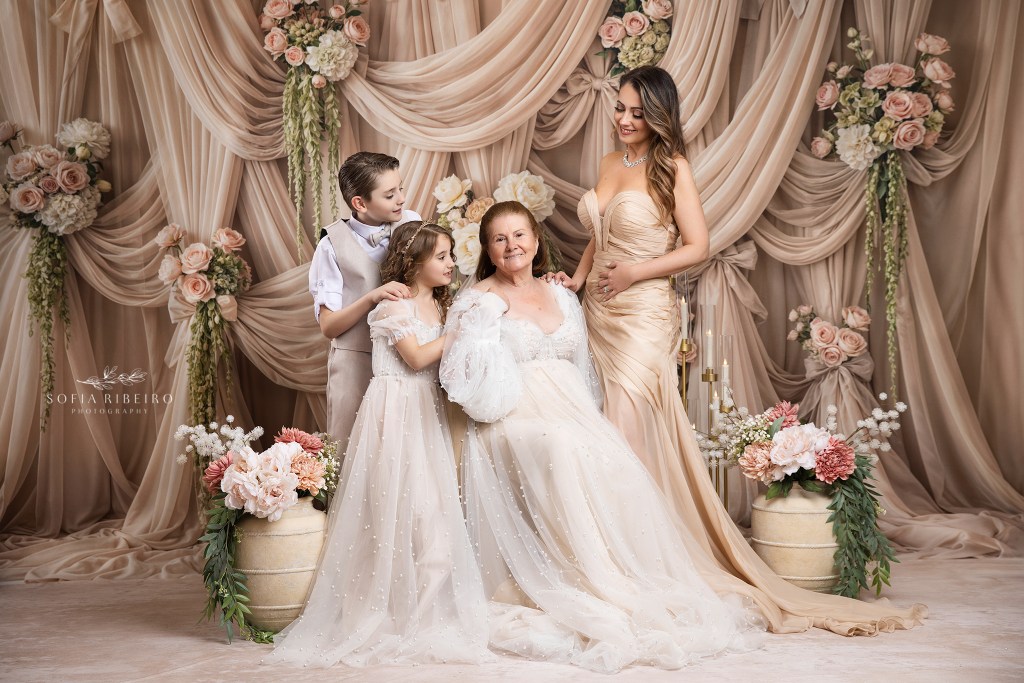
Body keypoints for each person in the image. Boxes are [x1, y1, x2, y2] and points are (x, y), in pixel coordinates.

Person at [552, 66, 926, 634]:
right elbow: (597, 236)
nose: (624, 120)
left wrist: (636, 273)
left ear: (658, 115)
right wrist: (578, 280)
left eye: (636, 112)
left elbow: (698, 247)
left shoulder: (671, 168)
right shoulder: (608, 163)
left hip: (644, 309)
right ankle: (613, 548)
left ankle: (641, 553)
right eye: (620, 109)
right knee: (606, 420)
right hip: (600, 310)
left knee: (624, 423)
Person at [441, 201, 765, 674]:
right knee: (562, 446)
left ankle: (618, 576)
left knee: (611, 454)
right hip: (511, 416)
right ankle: (584, 578)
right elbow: (464, 379)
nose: (512, 246)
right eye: (499, 239)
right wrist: (485, 328)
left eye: (520, 235)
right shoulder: (477, 301)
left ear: (536, 240)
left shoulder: (563, 295)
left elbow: (584, 370)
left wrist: (594, 419)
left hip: (569, 410)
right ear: (487, 250)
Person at [269, 222, 490, 667]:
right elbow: (416, 358)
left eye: (451, 254)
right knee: (399, 508)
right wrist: (468, 329)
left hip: (426, 415)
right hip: (394, 416)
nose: (451, 263)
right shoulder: (393, 309)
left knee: (434, 514)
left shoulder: (442, 309)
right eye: (442, 256)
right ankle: (392, 608)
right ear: (412, 263)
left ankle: (426, 610)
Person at [310, 152, 421, 451]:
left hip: (409, 358)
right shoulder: (330, 245)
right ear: (360, 203)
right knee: (353, 452)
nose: (401, 198)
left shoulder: (412, 223)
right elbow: (329, 326)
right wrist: (371, 296)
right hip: (356, 362)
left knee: (407, 452)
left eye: (400, 188)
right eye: (389, 194)